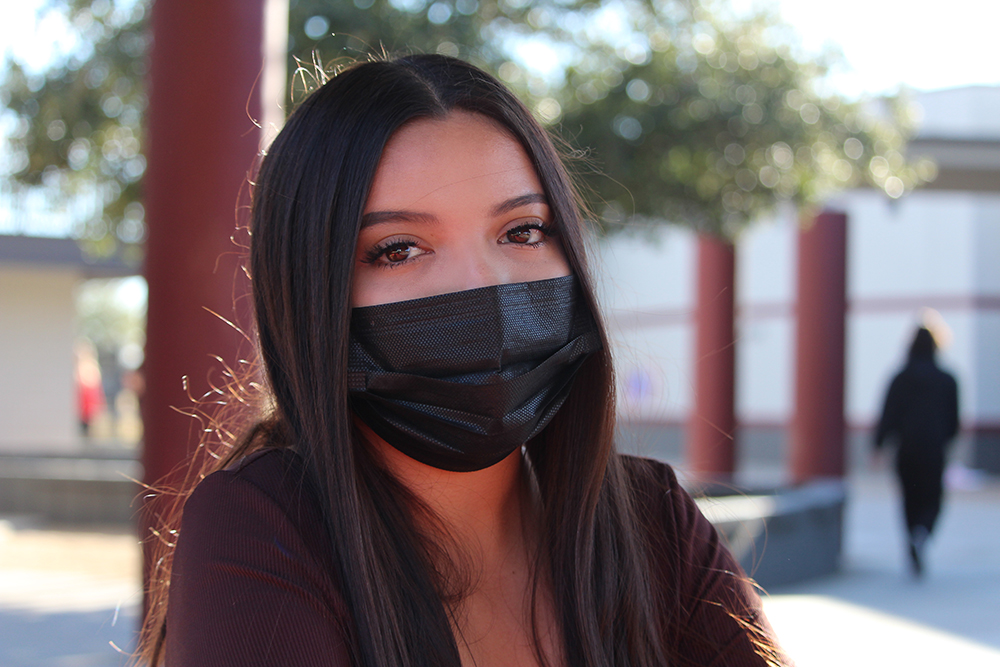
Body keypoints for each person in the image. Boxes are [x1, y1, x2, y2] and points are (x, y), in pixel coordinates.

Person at [137, 54, 785, 667]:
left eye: (523, 231)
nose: (484, 286)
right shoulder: (262, 528)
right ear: (309, 294)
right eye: (398, 248)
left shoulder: (653, 519)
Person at [875, 326, 960, 578]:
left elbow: (888, 413)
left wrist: (878, 444)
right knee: (932, 496)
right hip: (934, 449)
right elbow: (953, 419)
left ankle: (913, 534)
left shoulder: (900, 378)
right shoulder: (947, 379)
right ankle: (924, 530)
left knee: (909, 497)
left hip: (907, 449)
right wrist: (946, 439)